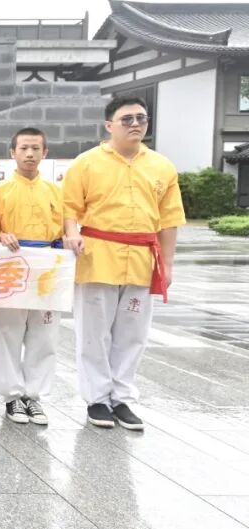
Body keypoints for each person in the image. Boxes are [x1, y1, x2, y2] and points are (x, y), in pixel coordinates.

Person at [62, 96, 184, 430]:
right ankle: (97, 398)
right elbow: (69, 207)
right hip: (97, 256)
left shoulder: (162, 166)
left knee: (133, 333)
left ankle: (122, 398)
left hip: (142, 258)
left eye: (141, 118)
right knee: (94, 333)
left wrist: (167, 265)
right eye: (127, 119)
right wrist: (71, 232)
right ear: (109, 125)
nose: (135, 124)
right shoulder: (86, 163)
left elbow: (169, 220)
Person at [0, 128, 63, 426]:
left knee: (44, 333)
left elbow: (65, 230)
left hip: (47, 265)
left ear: (45, 152)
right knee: (8, 330)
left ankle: (34, 395)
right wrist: (0, 235)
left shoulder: (57, 192)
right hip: (11, 265)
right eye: (23, 148)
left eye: (35, 148)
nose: (29, 154)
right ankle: (11, 396)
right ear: (13, 153)